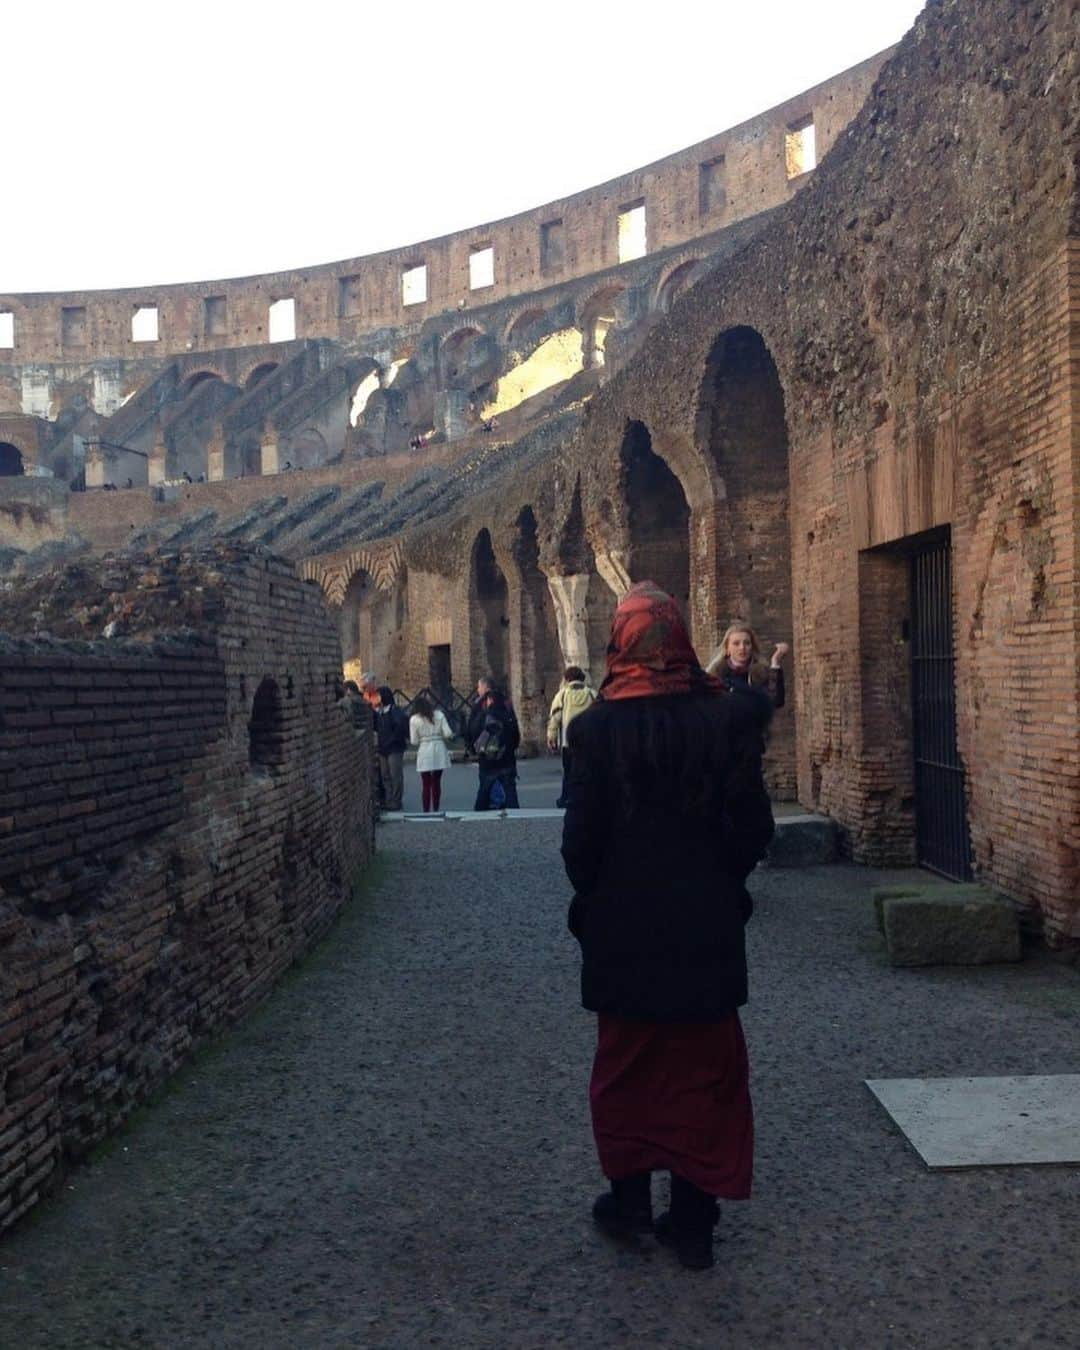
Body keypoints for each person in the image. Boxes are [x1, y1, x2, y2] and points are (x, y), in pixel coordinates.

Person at [561, 581, 775, 1271]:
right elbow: (753, 830)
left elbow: (579, 846)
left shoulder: (592, 730)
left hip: (621, 933)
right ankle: (692, 1218)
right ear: (681, 640)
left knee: (628, 1070)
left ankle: (627, 1201)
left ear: (619, 642)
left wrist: (600, 898)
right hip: (706, 929)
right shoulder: (726, 720)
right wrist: (719, 886)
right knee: (702, 1074)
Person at [466, 677, 520, 811]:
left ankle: (480, 813)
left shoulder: (479, 705)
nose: (478, 690)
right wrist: (512, 747)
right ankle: (516, 815)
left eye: (479, 687)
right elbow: (514, 730)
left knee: (485, 787)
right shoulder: (506, 704)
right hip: (506, 755)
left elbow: (472, 729)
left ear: (485, 687)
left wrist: (473, 748)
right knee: (509, 788)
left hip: (487, 756)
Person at [547, 665, 597, 808]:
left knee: (568, 773)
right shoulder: (592, 694)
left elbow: (555, 718)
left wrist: (552, 737)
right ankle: (588, 798)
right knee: (588, 772)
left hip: (568, 742)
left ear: (567, 679)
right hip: (589, 742)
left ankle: (567, 798)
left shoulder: (562, 695)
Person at [707, 623, 788, 709]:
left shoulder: (761, 673)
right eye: (736, 643)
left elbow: (776, 701)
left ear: (752, 647)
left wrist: (775, 663)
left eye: (747, 643)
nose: (742, 647)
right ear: (727, 649)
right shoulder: (716, 675)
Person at [409, 695, 453, 812]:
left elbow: (414, 741)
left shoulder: (414, 719)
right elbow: (448, 733)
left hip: (424, 750)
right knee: (437, 782)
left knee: (426, 783)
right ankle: (436, 808)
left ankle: (426, 809)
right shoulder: (439, 715)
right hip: (439, 748)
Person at [375, 687, 409, 811]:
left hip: (394, 748)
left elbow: (400, 727)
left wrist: (392, 740)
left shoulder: (395, 711)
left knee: (395, 775)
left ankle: (396, 801)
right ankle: (389, 800)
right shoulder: (379, 711)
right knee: (385, 775)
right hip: (383, 748)